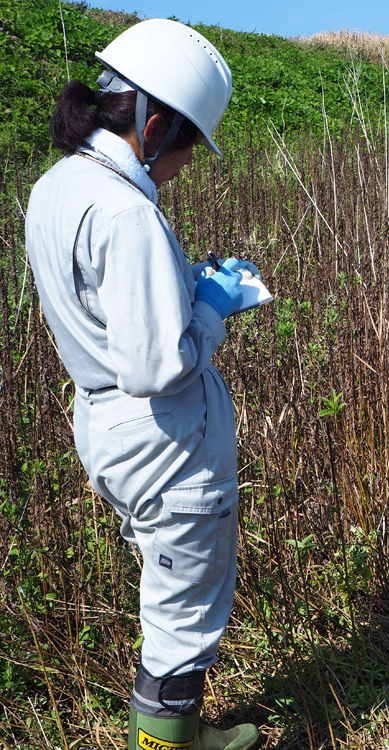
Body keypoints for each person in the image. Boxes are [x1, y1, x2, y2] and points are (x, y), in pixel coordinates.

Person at [25, 19, 261, 750]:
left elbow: (104, 309)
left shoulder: (59, 185)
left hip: (107, 426)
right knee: (181, 617)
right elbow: (158, 364)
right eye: (187, 149)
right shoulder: (128, 213)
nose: (184, 167)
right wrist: (214, 309)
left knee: (169, 597)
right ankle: (164, 741)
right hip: (164, 443)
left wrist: (181, 289)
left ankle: (180, 735)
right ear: (153, 126)